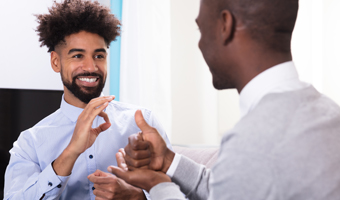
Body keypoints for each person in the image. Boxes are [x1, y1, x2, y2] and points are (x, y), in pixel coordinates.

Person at [105, 0, 340, 199]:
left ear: (225, 25)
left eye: (201, 30)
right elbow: (226, 190)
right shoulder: (327, 113)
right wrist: (168, 161)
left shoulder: (254, 140)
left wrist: (156, 185)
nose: (200, 44)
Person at [3, 1, 171, 200]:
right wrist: (72, 150)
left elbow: (180, 194)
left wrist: (136, 196)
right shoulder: (30, 143)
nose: (91, 66)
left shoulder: (142, 123)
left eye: (99, 55)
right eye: (78, 55)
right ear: (56, 62)